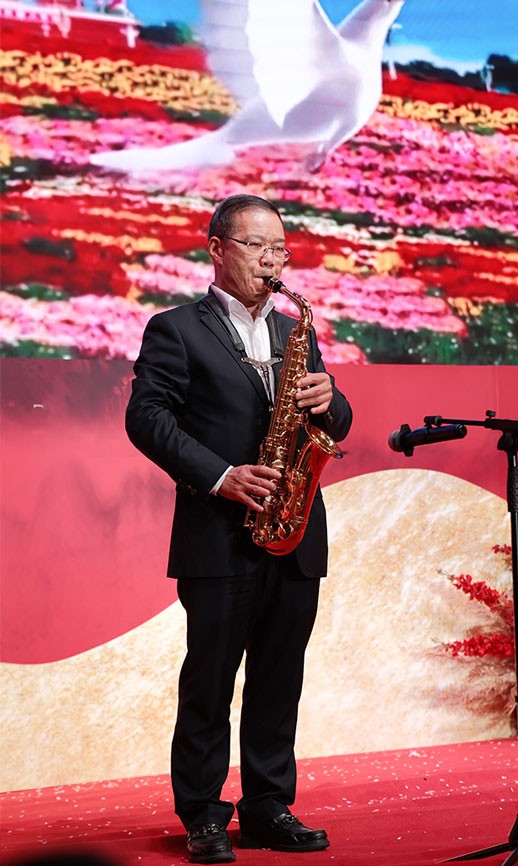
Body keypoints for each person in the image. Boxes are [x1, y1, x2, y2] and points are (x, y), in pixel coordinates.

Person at [125, 194, 353, 864]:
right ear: (217, 249)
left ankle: (267, 807)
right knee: (210, 681)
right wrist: (221, 475)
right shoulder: (175, 329)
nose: (271, 260)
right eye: (257, 246)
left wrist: (330, 399)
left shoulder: (294, 332)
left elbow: (335, 423)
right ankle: (202, 813)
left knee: (280, 678)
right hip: (219, 532)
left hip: (294, 530)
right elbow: (147, 418)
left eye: (279, 248)